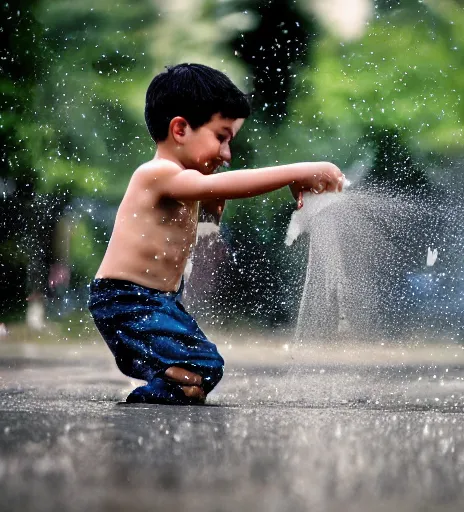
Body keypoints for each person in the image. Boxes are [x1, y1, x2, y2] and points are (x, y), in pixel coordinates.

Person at [88, 63, 345, 405]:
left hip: (159, 300)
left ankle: (171, 387)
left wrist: (213, 215)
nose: (227, 154)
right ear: (180, 129)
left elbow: (205, 219)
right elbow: (222, 184)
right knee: (205, 363)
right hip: (126, 301)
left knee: (203, 374)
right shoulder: (158, 173)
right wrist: (297, 171)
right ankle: (154, 391)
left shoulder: (188, 185)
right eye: (221, 137)